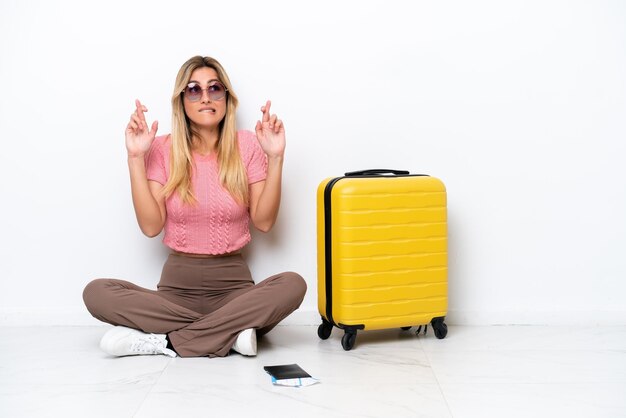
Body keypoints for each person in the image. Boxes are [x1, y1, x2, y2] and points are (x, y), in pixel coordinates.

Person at [83, 56, 307, 358]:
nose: (205, 97)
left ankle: (166, 341)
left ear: (227, 99)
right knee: (96, 292)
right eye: (193, 89)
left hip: (235, 293)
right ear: (181, 101)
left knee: (293, 284)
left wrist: (276, 157)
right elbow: (151, 226)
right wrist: (135, 158)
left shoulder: (249, 145)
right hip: (175, 294)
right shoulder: (162, 148)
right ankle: (232, 335)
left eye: (215, 89)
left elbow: (264, 222)